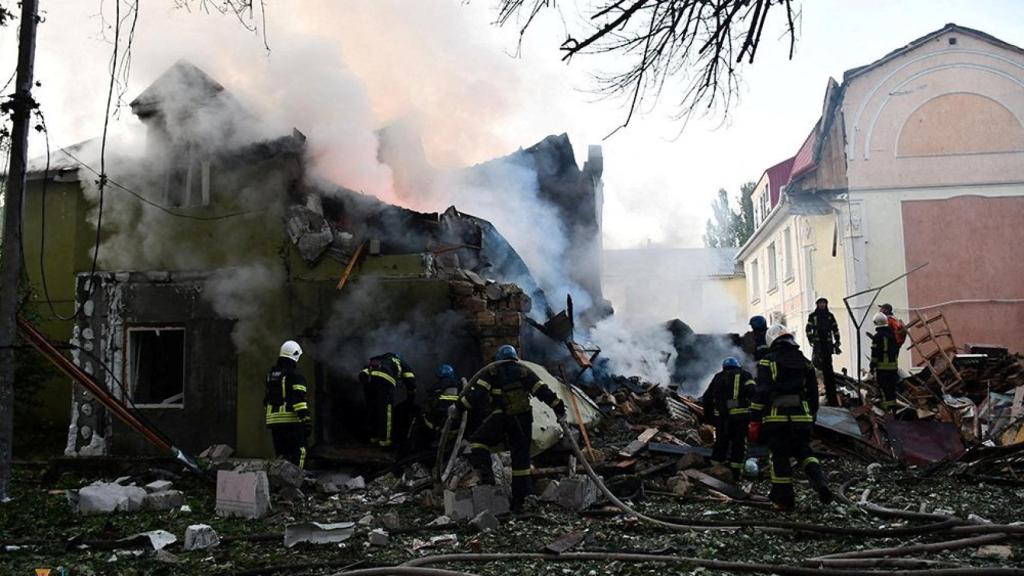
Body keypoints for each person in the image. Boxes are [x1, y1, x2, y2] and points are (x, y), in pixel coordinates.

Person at [457, 345, 566, 512]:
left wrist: (458, 407)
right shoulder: (524, 372)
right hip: (523, 420)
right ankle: (521, 501)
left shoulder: (492, 372)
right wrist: (559, 408)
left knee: (478, 441)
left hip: (502, 417)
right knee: (521, 461)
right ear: (515, 357)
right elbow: (543, 391)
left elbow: (476, 395)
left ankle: (487, 479)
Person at [749, 324, 832, 512]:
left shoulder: (768, 361)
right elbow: (813, 395)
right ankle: (820, 483)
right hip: (802, 418)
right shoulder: (805, 362)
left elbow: (761, 394)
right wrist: (811, 416)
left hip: (777, 420)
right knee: (804, 452)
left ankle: (784, 501)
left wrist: (754, 419)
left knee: (779, 458)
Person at [701, 357, 755, 480]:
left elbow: (707, 397)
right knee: (738, 444)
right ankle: (735, 474)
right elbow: (753, 391)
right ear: (737, 366)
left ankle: (716, 471)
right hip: (740, 418)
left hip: (721, 418)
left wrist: (708, 419)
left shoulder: (718, 377)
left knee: (721, 443)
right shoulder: (745, 375)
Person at [265, 340, 311, 469]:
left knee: (282, 454)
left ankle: (281, 482)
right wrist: (305, 420)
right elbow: (299, 399)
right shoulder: (295, 375)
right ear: (295, 355)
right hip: (291, 420)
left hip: (273, 421)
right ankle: (297, 482)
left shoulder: (272, 375)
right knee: (300, 451)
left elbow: (267, 399)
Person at [359, 352, 416, 449]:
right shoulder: (400, 361)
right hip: (386, 382)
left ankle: (374, 438)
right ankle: (385, 442)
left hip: (369, 382)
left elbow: (362, 374)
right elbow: (410, 378)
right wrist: (411, 394)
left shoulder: (377, 359)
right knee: (386, 412)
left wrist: (367, 385)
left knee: (372, 409)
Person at [411, 364, 463, 451]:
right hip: (456, 427)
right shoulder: (460, 385)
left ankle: (417, 450)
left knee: (419, 423)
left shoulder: (439, 385)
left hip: (437, 425)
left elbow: (429, 401)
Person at [805, 298, 842, 406]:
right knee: (817, 365)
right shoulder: (813, 316)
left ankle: (831, 395)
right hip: (818, 345)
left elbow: (835, 328)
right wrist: (811, 339)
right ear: (817, 305)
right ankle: (821, 388)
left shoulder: (830, 316)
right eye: (820, 303)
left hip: (828, 345)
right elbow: (808, 328)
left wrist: (837, 341)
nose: (822, 305)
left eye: (824, 303)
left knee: (828, 368)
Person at [870, 312, 900, 413]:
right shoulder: (892, 335)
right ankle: (893, 409)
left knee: (884, 390)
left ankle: (887, 410)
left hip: (883, 369)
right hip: (893, 368)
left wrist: (872, 366)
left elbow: (875, 354)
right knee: (892, 390)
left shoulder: (877, 337)